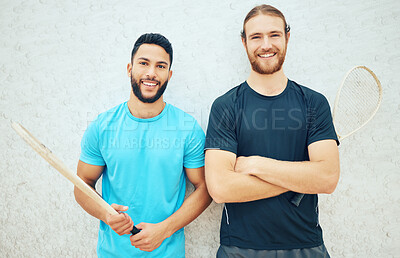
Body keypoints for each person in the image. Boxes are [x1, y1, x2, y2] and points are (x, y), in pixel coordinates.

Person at [205, 5, 340, 258]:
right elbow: (221, 188)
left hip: (306, 245)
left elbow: (328, 179)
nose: (266, 44)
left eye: (274, 35)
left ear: (287, 37)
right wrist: (299, 177)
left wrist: (255, 164)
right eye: (256, 37)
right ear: (244, 42)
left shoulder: (314, 103)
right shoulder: (225, 106)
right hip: (239, 249)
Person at [74, 33, 211, 257]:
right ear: (130, 68)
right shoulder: (102, 127)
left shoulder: (188, 128)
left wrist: (164, 230)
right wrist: (105, 213)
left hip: (168, 253)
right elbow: (82, 185)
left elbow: (205, 189)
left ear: (169, 74)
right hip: (113, 252)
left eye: (160, 66)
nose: (151, 73)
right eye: (144, 63)